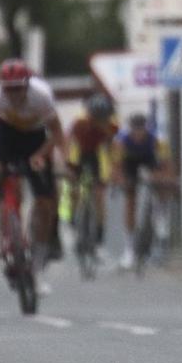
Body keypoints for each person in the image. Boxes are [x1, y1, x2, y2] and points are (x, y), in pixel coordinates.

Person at [0, 59, 66, 288]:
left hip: (36, 141)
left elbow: (57, 134)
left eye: (19, 88)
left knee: (46, 203)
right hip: (5, 138)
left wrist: (42, 155)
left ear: (28, 84)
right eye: (9, 89)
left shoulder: (42, 96)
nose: (14, 94)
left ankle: (37, 268)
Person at [112, 113, 171, 270]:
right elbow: (117, 166)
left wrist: (161, 179)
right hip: (130, 165)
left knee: (161, 189)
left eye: (141, 130)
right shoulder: (121, 141)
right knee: (130, 200)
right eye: (135, 130)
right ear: (130, 129)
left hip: (150, 161)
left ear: (146, 129)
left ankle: (161, 228)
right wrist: (121, 181)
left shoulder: (158, 139)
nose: (138, 134)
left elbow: (165, 164)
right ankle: (129, 249)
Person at [66, 93, 118, 258]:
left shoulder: (113, 125)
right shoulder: (80, 122)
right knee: (72, 186)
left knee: (99, 195)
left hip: (96, 154)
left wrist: (113, 171)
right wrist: (69, 168)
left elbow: (113, 148)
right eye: (97, 119)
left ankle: (99, 235)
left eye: (103, 119)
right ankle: (73, 217)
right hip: (79, 151)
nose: (100, 123)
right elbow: (68, 144)